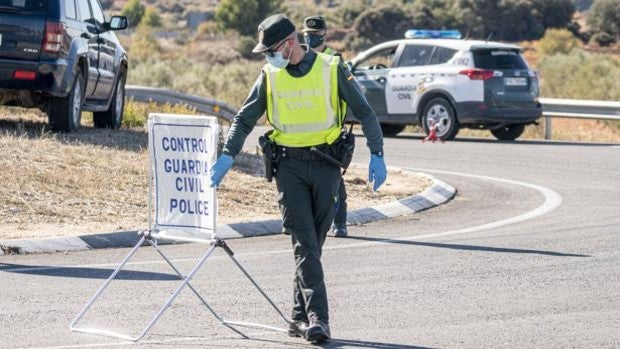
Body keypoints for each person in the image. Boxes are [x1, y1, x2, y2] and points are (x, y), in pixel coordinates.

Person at [209, 14, 386, 344]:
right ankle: (319, 319)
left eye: (271, 50)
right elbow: (244, 118)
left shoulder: (331, 69)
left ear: (289, 44)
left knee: (313, 245)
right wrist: (227, 154)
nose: (268, 57)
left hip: (326, 165)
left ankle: (296, 315)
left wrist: (377, 152)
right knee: (304, 243)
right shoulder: (269, 76)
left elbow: (364, 111)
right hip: (288, 168)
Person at [302, 15, 349, 238]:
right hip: (304, 131)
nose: (309, 39)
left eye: (314, 36)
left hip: (331, 132)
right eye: (306, 35)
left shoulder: (335, 59)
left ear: (324, 36)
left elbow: (350, 93)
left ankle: (340, 223)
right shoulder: (299, 58)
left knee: (334, 181)